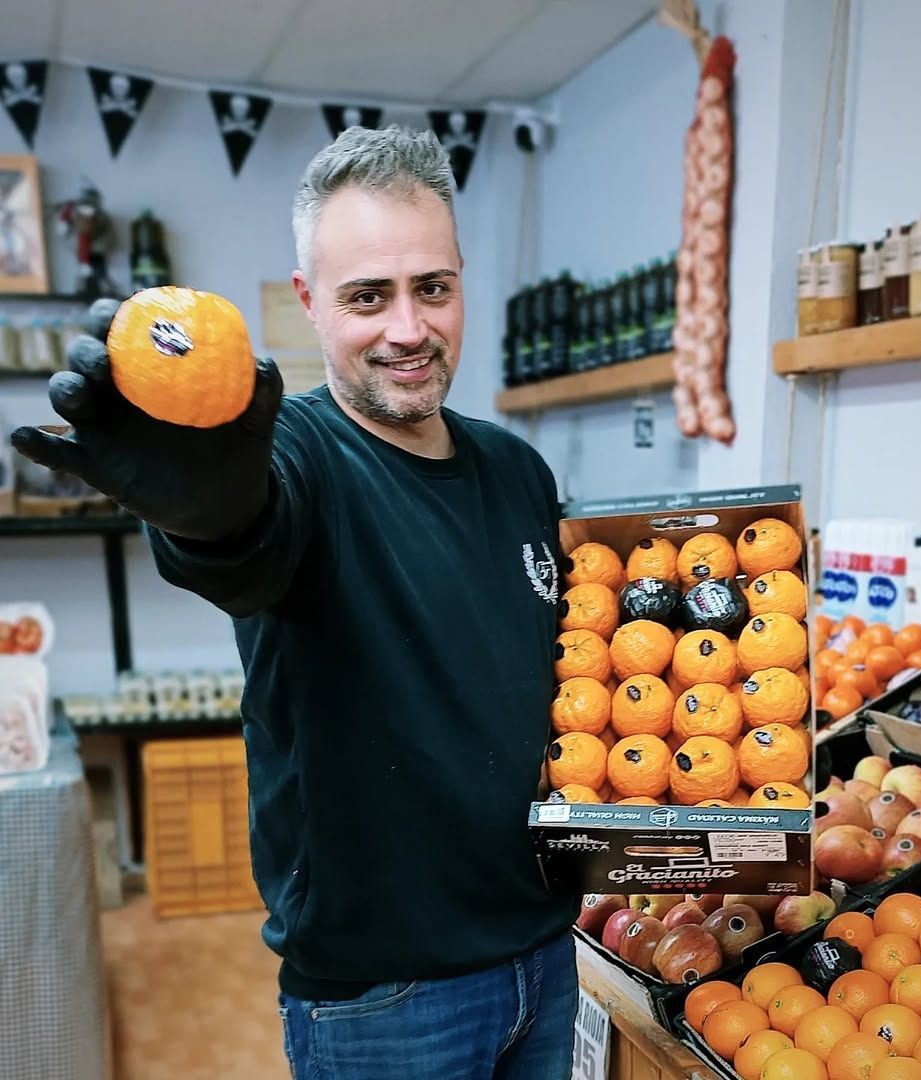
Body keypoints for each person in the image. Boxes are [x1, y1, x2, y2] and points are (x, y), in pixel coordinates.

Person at [11, 125, 579, 1079]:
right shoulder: (297, 460)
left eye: (432, 288)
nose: (408, 328)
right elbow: (242, 544)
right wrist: (205, 508)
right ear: (312, 304)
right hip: (388, 1000)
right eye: (368, 297)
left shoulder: (518, 471)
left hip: (546, 955)